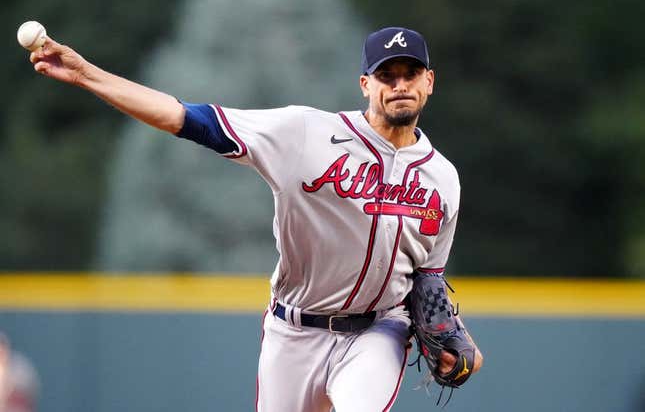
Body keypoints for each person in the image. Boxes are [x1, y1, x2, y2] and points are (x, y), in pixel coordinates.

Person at [29, 26, 483, 411]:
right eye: (387, 74)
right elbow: (183, 117)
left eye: (410, 73)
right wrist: (88, 75)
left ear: (429, 82)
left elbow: (428, 279)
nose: (399, 84)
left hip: (377, 332)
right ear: (366, 84)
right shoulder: (306, 133)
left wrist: (459, 336)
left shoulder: (444, 179)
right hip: (294, 331)